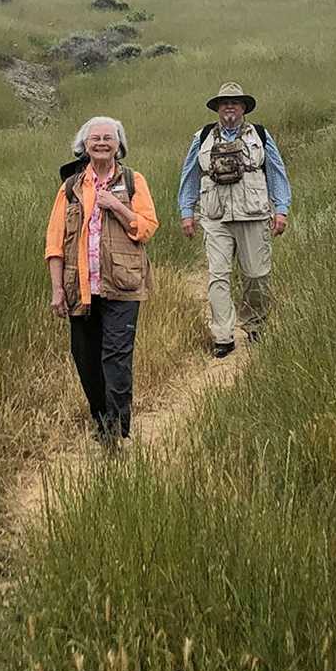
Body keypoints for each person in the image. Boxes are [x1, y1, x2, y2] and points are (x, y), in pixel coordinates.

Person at [45, 116, 160, 448]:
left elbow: (148, 227)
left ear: (118, 144)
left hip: (123, 286)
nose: (101, 143)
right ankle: (101, 418)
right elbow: (54, 243)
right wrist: (56, 289)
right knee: (85, 357)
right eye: (94, 138)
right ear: (84, 145)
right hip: (80, 287)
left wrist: (117, 208)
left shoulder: (134, 181)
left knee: (116, 357)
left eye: (108, 137)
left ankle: (117, 429)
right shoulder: (70, 188)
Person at [177, 81, 291, 358]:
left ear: (243, 108)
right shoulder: (202, 136)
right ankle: (223, 336)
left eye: (235, 102)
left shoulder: (260, 135)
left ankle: (255, 325)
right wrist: (187, 212)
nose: (229, 106)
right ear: (217, 108)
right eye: (224, 102)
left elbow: (276, 171)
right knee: (218, 276)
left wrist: (281, 209)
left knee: (256, 275)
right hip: (215, 216)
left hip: (253, 214)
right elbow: (190, 173)